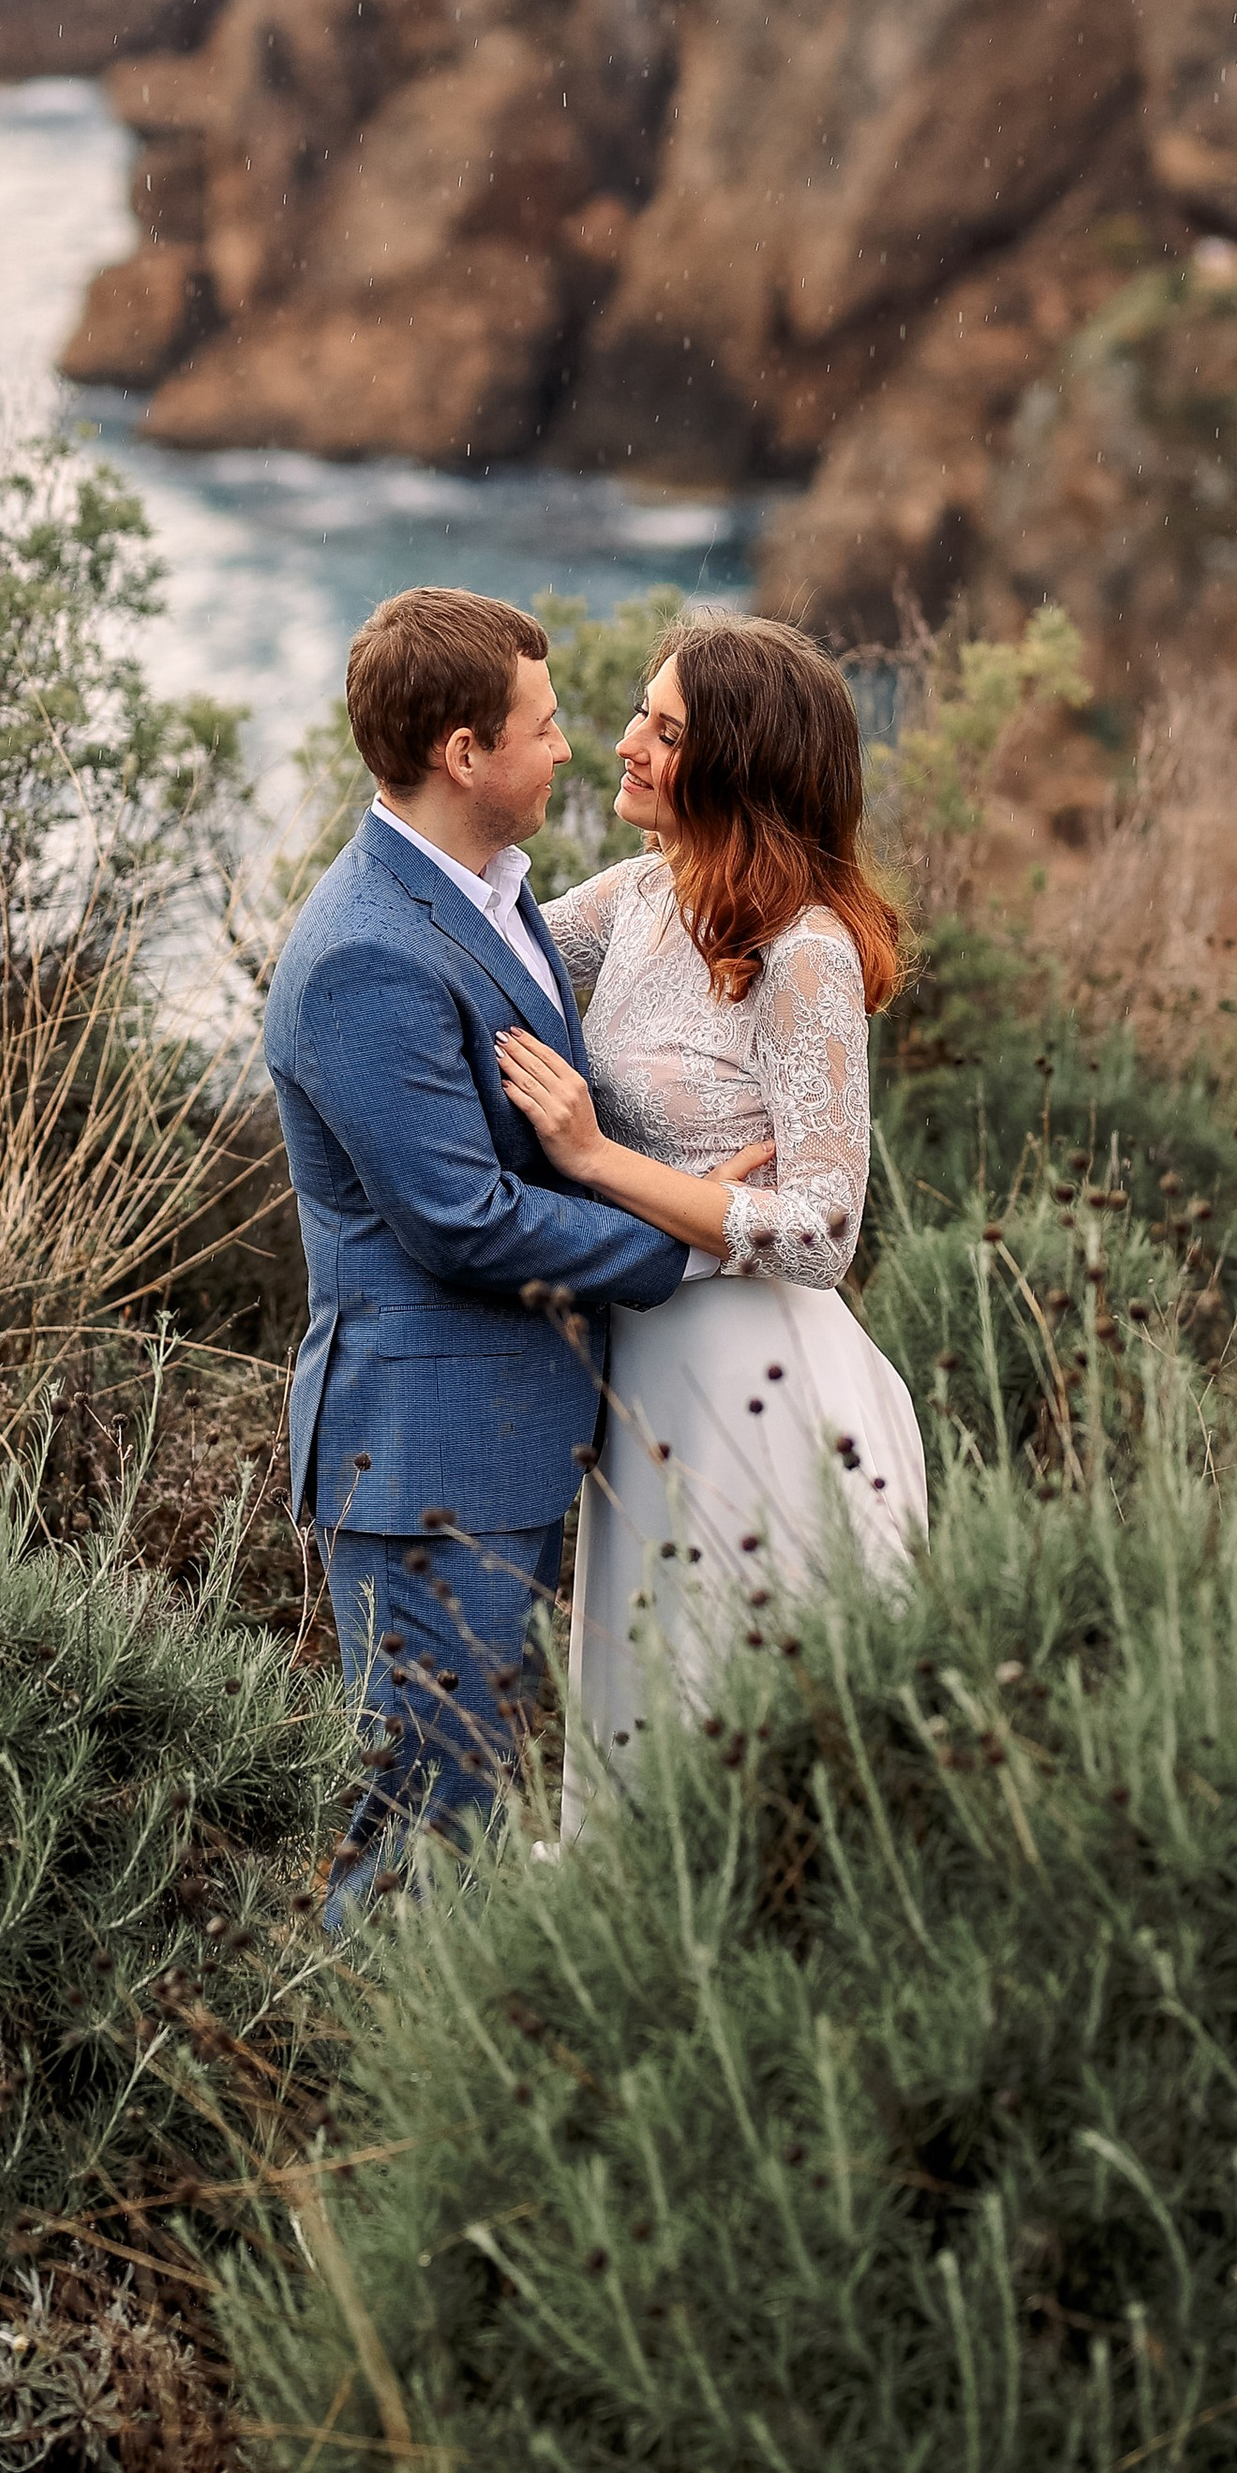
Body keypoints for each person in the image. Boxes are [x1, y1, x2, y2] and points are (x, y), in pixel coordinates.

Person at [266, 587, 765, 1919]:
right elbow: (461, 1220)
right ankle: (363, 2053)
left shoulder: (492, 893)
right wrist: (685, 1233)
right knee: (420, 1838)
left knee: (468, 1814)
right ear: (462, 754)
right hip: (425, 1460)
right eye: (541, 727)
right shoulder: (364, 955)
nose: (567, 747)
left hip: (505, 1444)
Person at [494, 614, 925, 1809]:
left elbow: (823, 1233)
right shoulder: (635, 897)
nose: (624, 743)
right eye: (641, 713)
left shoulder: (804, 951)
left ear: (741, 765)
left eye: (666, 731)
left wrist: (599, 1160)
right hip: (644, 1381)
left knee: (744, 1746)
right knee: (639, 1732)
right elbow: (476, 974)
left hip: (761, 1391)